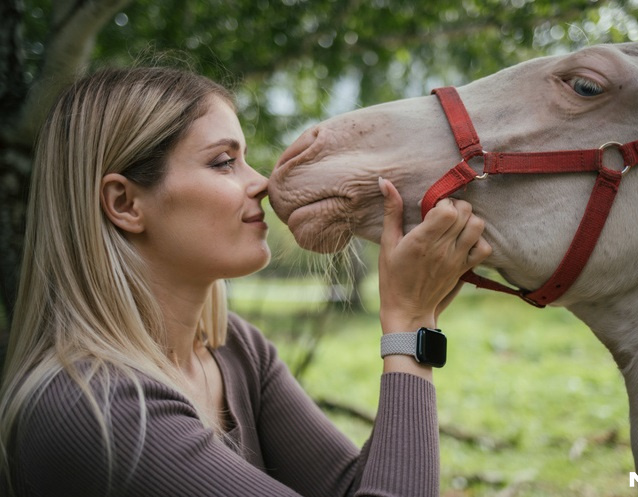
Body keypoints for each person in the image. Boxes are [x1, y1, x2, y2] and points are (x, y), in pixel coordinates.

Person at [0, 66, 491, 497]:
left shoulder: (236, 349)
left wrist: (419, 320)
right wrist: (406, 327)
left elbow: (348, 487)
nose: (260, 182)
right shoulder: (96, 410)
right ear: (126, 204)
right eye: (223, 162)